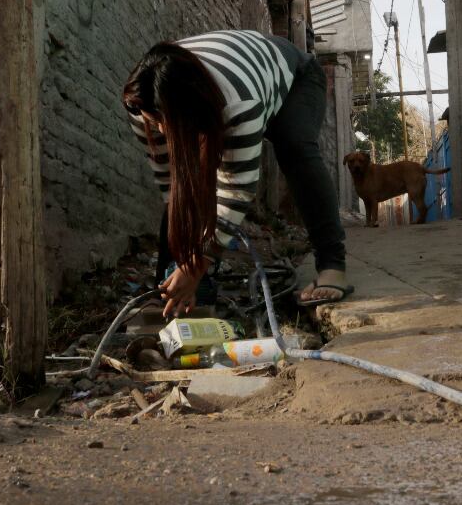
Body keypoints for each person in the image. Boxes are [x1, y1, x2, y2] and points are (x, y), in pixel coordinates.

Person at [124, 29, 353, 318]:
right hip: (233, 79)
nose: (159, 129)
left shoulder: (237, 104)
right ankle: (168, 290)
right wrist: (175, 273)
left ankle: (332, 264)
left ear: (193, 108)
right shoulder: (141, 102)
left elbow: (236, 191)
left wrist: (197, 263)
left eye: (166, 121)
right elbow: (173, 189)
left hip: (296, 78)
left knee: (293, 145)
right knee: (184, 185)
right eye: (153, 119)